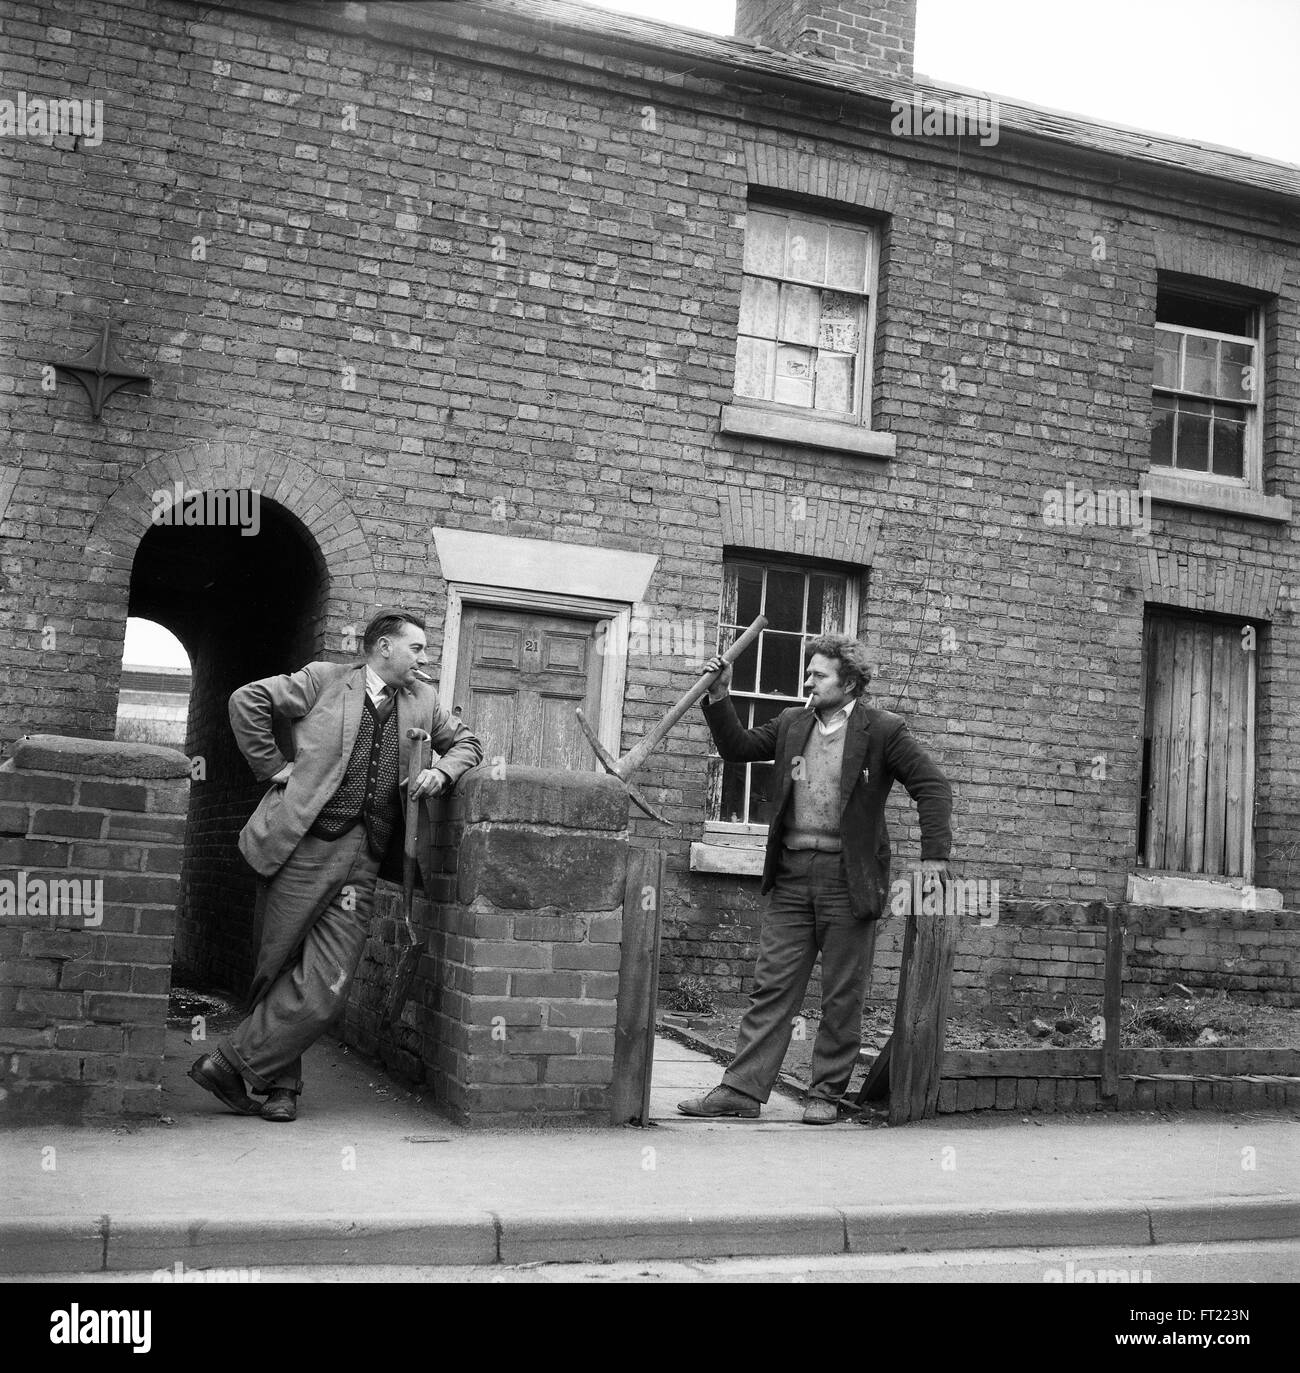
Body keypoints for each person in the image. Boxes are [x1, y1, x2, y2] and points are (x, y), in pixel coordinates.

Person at [189, 610, 482, 1122]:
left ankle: (228, 1064)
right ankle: (282, 1088)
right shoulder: (323, 680)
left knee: (328, 983)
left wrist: (442, 769)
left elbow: (468, 743)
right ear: (384, 647)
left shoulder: (424, 700)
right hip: (300, 848)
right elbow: (247, 699)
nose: (424, 658)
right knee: (277, 968)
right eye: (416, 647)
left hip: (365, 857)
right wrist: (272, 768)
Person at [678, 633, 952, 1124]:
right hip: (791, 875)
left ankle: (825, 1093)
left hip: (850, 879)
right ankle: (741, 1090)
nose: (808, 681)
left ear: (848, 682)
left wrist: (935, 858)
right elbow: (738, 748)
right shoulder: (792, 723)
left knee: (841, 993)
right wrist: (719, 696)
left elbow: (932, 787)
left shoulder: (883, 730)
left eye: (819, 674)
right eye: (809, 673)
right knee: (772, 986)